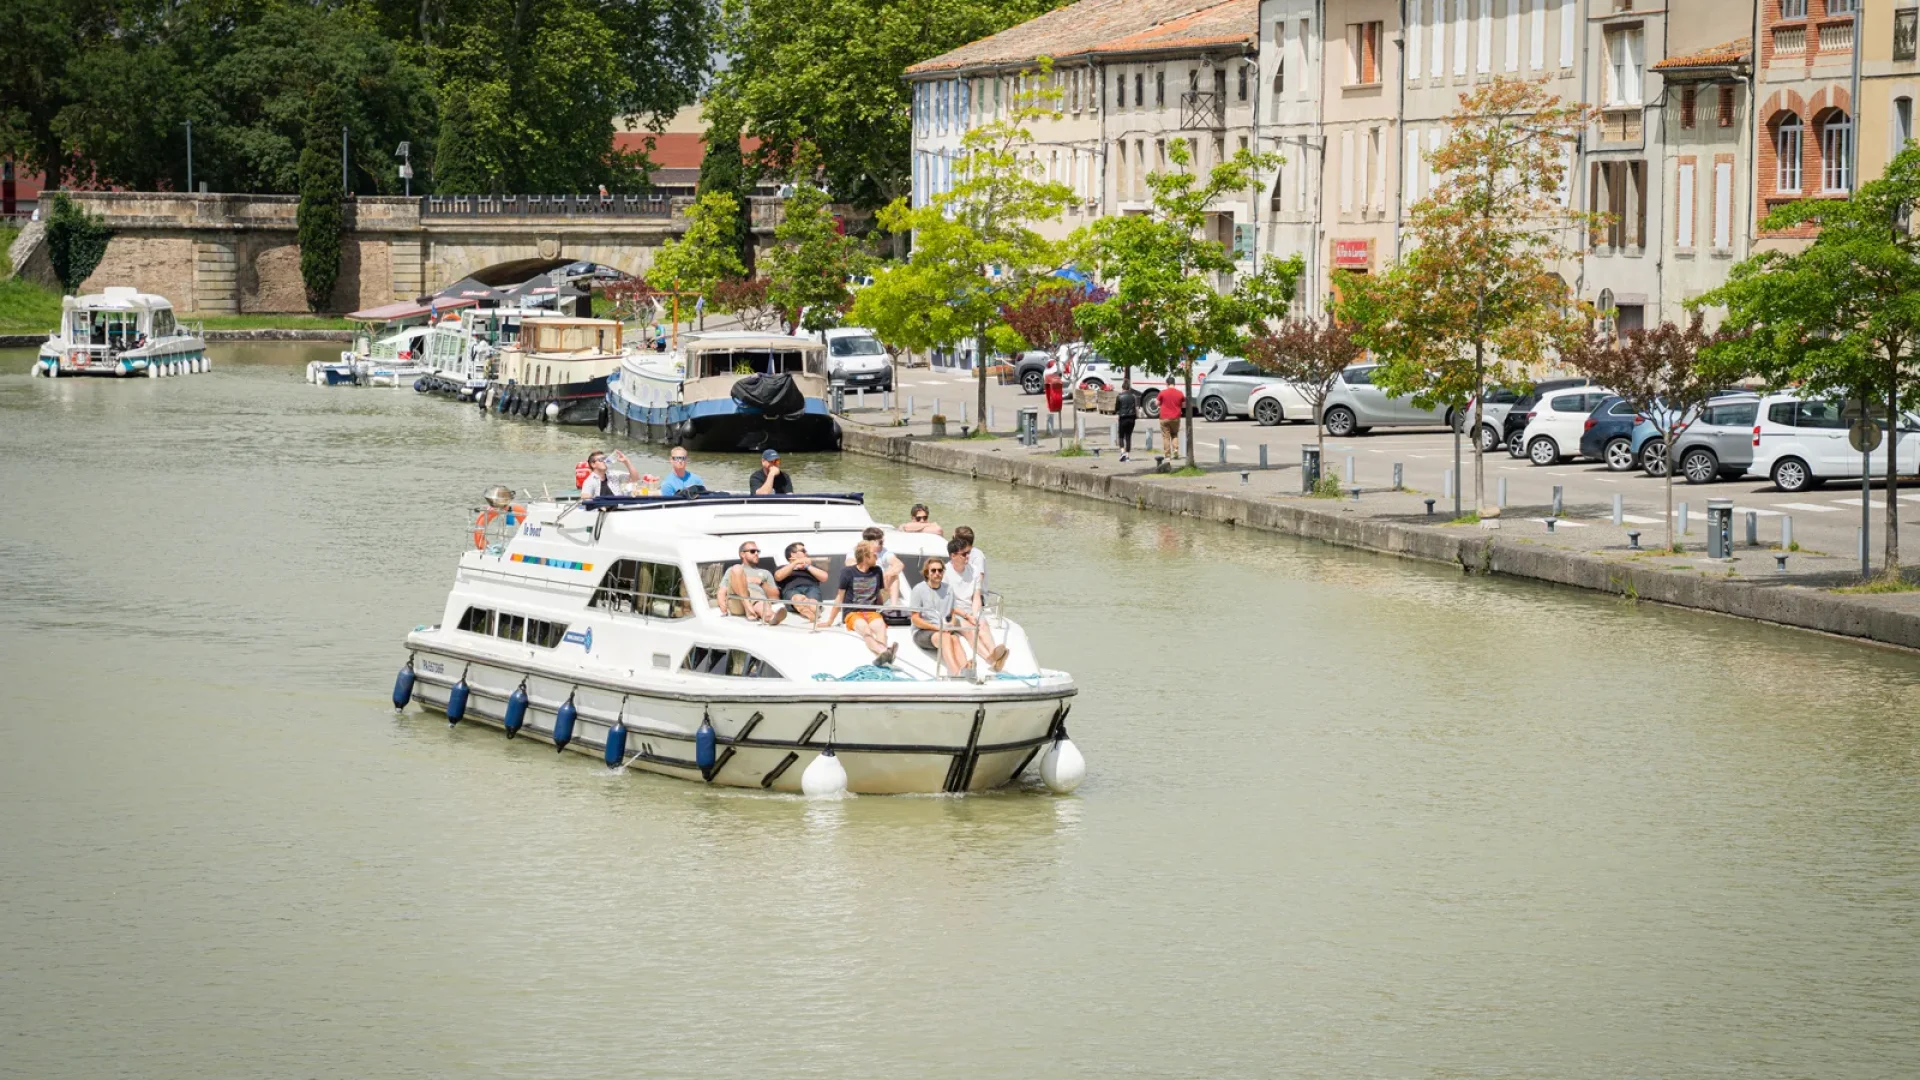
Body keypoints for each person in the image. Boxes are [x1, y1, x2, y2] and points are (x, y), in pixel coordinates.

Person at [826, 540, 895, 666]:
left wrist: (883, 609)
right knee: (865, 629)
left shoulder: (877, 571)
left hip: (871, 612)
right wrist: (830, 621)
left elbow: (879, 595)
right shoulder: (847, 572)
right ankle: (884, 651)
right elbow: (840, 597)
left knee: (880, 627)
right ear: (865, 557)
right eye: (874, 555)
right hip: (852, 612)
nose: (877, 557)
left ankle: (882, 657)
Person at [945, 536, 1008, 671]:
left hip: (970, 608)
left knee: (983, 624)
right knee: (970, 631)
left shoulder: (974, 570)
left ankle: (996, 653)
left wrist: (976, 614)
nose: (968, 556)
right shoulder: (945, 573)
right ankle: (990, 659)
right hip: (954, 611)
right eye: (964, 554)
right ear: (953, 556)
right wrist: (967, 617)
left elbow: (976, 597)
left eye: (968, 553)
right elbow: (946, 603)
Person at [909, 557, 973, 677]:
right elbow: (915, 619)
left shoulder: (948, 589)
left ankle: (966, 669)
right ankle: (955, 672)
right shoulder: (918, 589)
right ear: (927, 573)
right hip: (922, 632)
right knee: (945, 637)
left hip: (944, 629)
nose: (937, 573)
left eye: (940, 570)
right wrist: (937, 628)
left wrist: (951, 625)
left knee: (954, 638)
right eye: (933, 571)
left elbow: (952, 613)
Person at [715, 541, 785, 624]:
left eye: (757, 551)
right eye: (752, 551)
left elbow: (775, 598)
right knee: (737, 568)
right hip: (737, 602)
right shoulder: (731, 570)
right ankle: (747, 605)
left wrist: (761, 583)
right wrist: (724, 610)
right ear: (742, 554)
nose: (756, 554)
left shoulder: (765, 573)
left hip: (757, 601)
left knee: (759, 600)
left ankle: (769, 616)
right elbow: (722, 591)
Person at [775, 541, 829, 622]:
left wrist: (807, 566)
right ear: (792, 554)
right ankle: (812, 613)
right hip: (792, 590)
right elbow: (778, 576)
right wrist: (796, 562)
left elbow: (824, 577)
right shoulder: (783, 567)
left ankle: (810, 611)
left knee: (812, 601)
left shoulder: (811, 568)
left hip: (811, 588)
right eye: (803, 551)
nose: (806, 553)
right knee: (797, 598)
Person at [861, 526, 906, 604]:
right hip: (863, 585)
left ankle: (893, 607)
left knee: (894, 576)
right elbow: (850, 564)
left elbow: (899, 564)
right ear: (870, 543)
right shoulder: (858, 552)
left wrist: (887, 574)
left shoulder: (884, 552)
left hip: (880, 586)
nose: (883, 544)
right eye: (880, 542)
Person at [1157, 375, 1186, 459]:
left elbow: (1156, 403)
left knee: (1166, 436)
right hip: (1176, 417)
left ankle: (1167, 455)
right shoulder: (1180, 393)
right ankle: (1176, 450)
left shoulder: (1162, 393)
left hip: (1164, 417)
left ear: (1167, 384)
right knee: (1174, 434)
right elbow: (1184, 405)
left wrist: (1161, 404)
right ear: (1174, 383)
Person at [1115, 380, 1139, 461]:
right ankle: (1128, 456)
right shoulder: (1133, 396)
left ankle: (1122, 452)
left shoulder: (1119, 396)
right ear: (1129, 388)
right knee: (1128, 437)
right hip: (1131, 418)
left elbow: (1116, 408)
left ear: (1122, 388)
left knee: (1121, 436)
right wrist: (1137, 416)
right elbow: (1136, 408)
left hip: (1122, 418)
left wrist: (1118, 413)